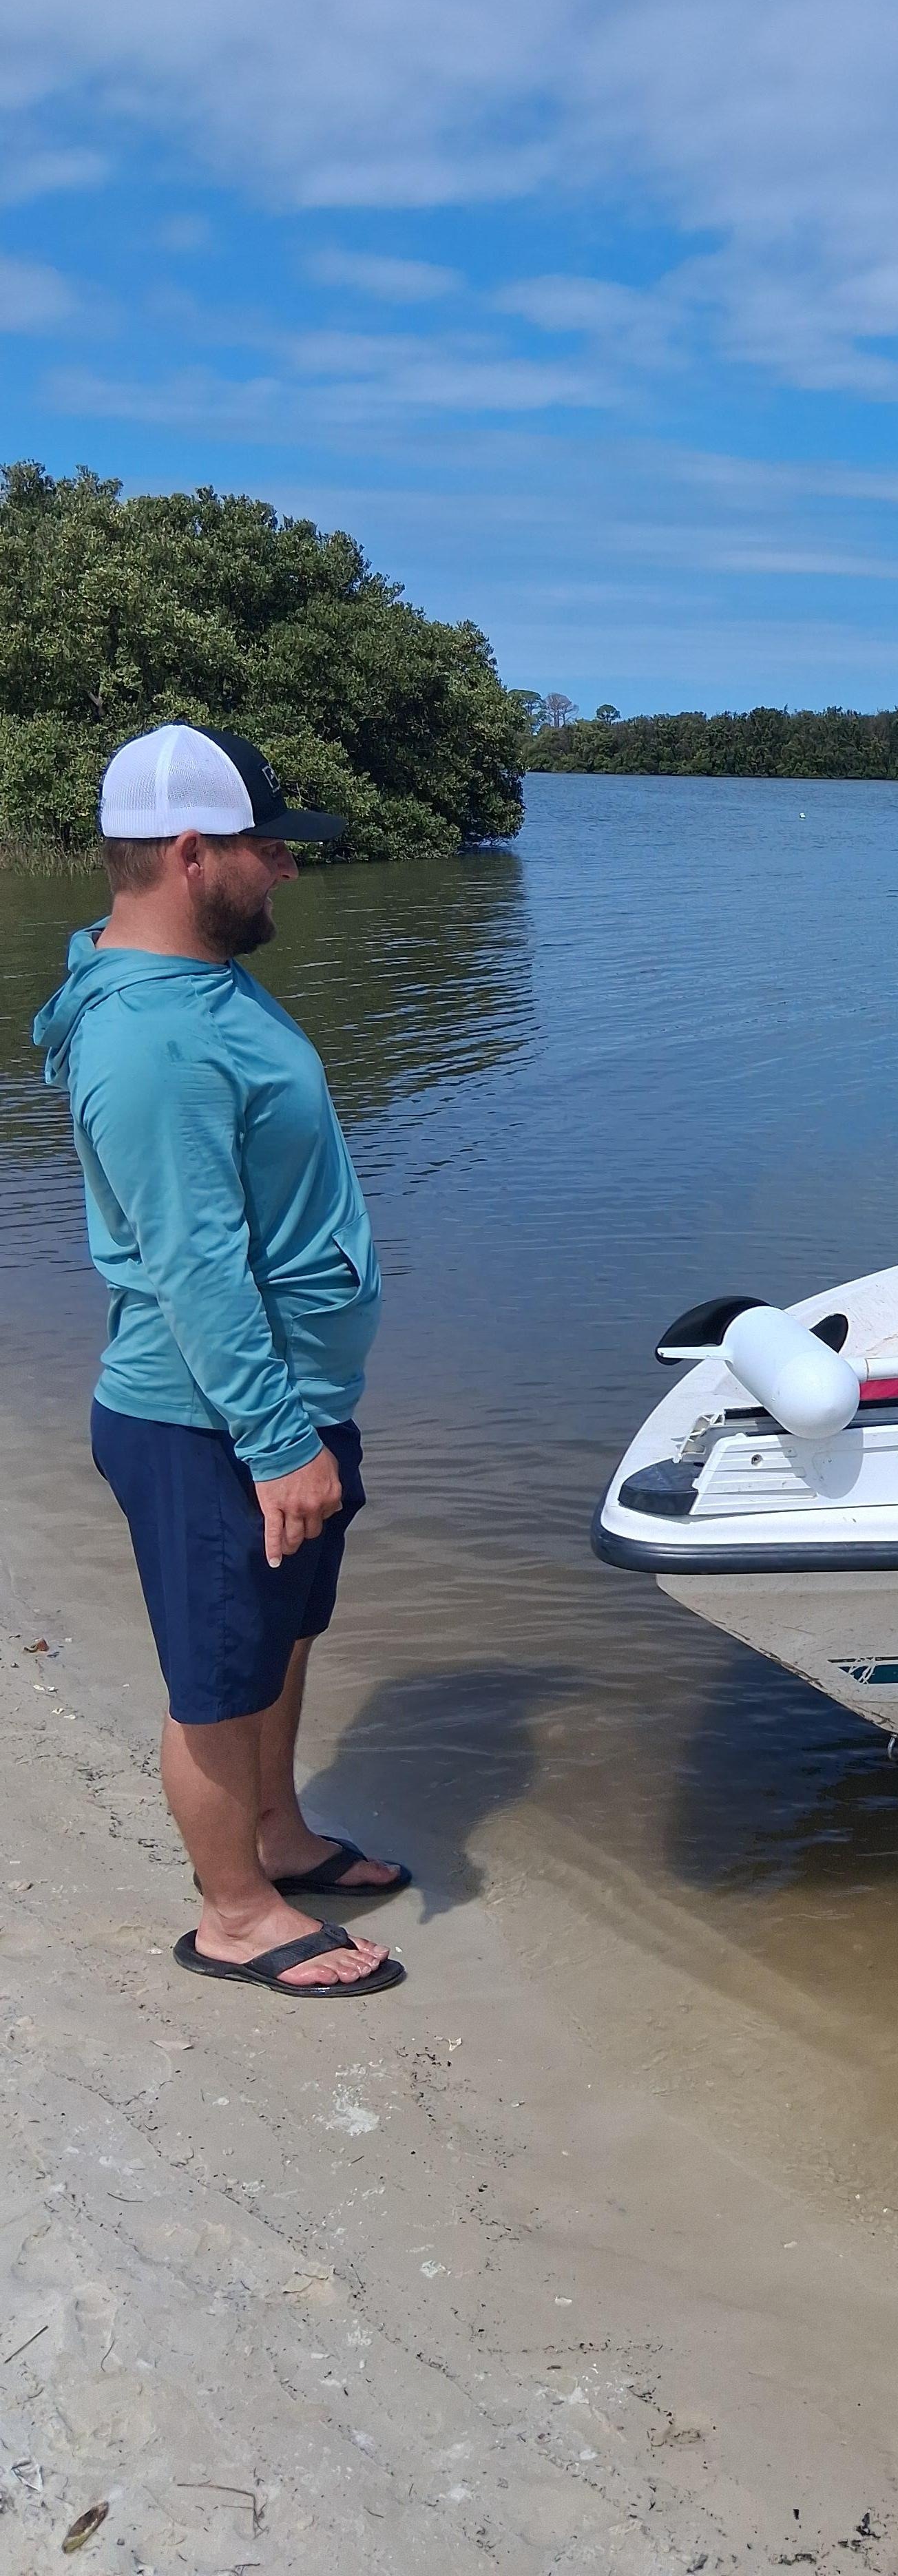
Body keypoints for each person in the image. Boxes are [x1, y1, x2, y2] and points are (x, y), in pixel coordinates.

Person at [32, 724, 407, 2000]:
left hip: (283, 1403)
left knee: (282, 1644)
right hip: (211, 1421)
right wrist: (276, 1441)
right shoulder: (150, 1042)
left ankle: (277, 1836)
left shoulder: (201, 980)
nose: (288, 873)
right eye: (268, 849)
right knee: (218, 1675)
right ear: (190, 853)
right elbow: (192, 1268)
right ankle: (236, 1914)